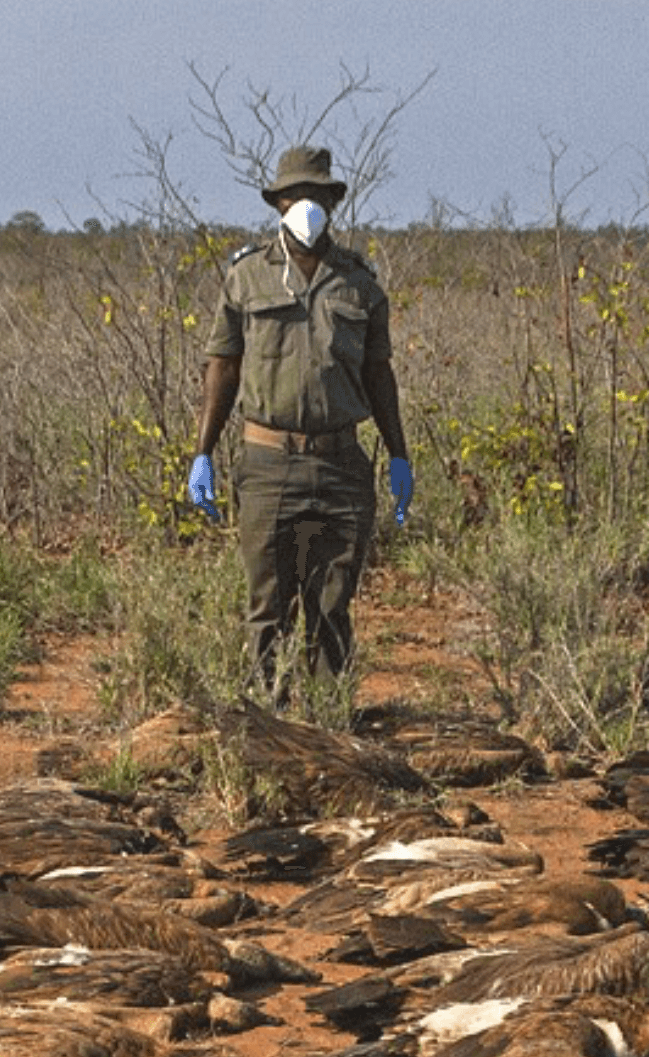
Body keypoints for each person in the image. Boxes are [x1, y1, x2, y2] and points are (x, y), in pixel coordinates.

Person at [186, 145, 412, 694]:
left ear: (332, 203)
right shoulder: (246, 277)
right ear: (278, 201)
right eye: (295, 195)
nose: (305, 204)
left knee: (332, 604)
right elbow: (223, 366)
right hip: (267, 464)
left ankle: (331, 727)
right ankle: (268, 726)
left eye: (317, 195)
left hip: (341, 465)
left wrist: (399, 453)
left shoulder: (359, 282)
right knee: (268, 606)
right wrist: (203, 452)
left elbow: (379, 374)